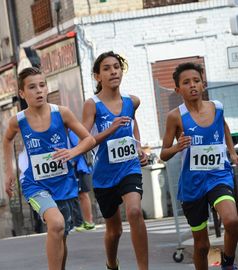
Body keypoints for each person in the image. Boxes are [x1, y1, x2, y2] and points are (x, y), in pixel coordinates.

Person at [3, 67, 95, 270]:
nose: (39, 91)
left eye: (42, 85)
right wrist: (9, 172)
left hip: (64, 183)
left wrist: (72, 152)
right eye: (32, 87)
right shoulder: (18, 121)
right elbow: (7, 140)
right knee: (56, 224)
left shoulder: (61, 113)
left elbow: (89, 139)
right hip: (35, 185)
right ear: (22, 93)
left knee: (61, 234)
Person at [160, 62, 238, 270]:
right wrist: (177, 147)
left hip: (218, 175)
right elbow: (163, 154)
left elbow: (224, 127)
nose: (192, 85)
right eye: (186, 82)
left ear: (203, 84)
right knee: (202, 246)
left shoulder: (217, 107)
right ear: (178, 90)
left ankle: (228, 264)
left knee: (231, 220)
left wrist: (231, 152)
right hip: (192, 184)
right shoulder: (175, 116)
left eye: (196, 81)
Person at [82, 51, 148, 270]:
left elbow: (133, 123)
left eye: (116, 67)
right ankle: (112, 264)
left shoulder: (132, 102)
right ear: (97, 76)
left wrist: (138, 146)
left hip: (129, 167)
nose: (113, 72)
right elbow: (86, 139)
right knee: (115, 231)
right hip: (104, 175)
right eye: (107, 68)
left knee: (135, 211)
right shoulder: (92, 104)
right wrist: (110, 130)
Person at [68, 129, 95, 231]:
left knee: (83, 195)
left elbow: (80, 148)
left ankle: (89, 222)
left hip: (80, 168)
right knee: (79, 195)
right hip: (77, 167)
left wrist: (72, 161)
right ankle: (81, 222)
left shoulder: (72, 132)